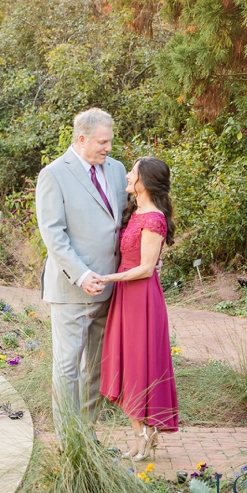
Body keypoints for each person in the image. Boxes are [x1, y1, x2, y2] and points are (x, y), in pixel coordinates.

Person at [35, 107, 128, 439]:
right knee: (68, 368)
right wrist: (81, 274)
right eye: (102, 142)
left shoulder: (116, 170)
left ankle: (86, 437)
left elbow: (124, 223)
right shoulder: (54, 174)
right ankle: (67, 442)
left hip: (110, 287)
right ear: (82, 139)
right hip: (72, 290)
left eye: (110, 142)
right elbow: (53, 234)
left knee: (97, 368)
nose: (108, 148)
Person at [99, 156, 179, 460]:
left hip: (141, 298)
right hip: (126, 296)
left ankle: (143, 437)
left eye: (133, 172)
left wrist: (109, 277)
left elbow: (146, 268)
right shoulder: (136, 212)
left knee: (138, 365)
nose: (128, 175)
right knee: (129, 364)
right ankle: (140, 437)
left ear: (145, 181)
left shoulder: (154, 218)